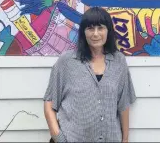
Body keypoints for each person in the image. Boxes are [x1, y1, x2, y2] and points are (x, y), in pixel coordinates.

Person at [44, 7, 137, 142]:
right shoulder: (67, 62)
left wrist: (125, 139)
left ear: (108, 31)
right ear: (83, 32)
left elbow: (123, 105)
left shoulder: (119, 61)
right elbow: (49, 102)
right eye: (90, 28)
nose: (95, 34)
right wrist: (59, 137)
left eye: (100, 28)